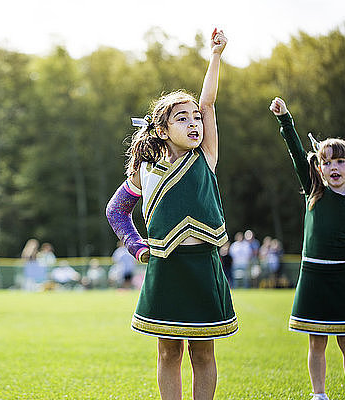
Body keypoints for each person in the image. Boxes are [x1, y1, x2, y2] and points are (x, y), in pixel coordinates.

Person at [106, 28, 236, 400]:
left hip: (203, 263)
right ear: (162, 130)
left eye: (196, 117)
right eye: (183, 119)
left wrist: (215, 56)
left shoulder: (205, 158)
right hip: (165, 265)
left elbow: (209, 103)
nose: (194, 123)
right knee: (168, 351)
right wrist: (136, 247)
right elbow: (116, 211)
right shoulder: (145, 169)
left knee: (203, 351)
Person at [270, 96, 345, 400]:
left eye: (340, 161)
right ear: (319, 168)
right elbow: (297, 153)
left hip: (340, 278)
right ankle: (319, 394)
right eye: (327, 162)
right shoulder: (315, 191)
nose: (334, 167)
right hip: (312, 277)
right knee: (316, 341)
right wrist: (286, 119)